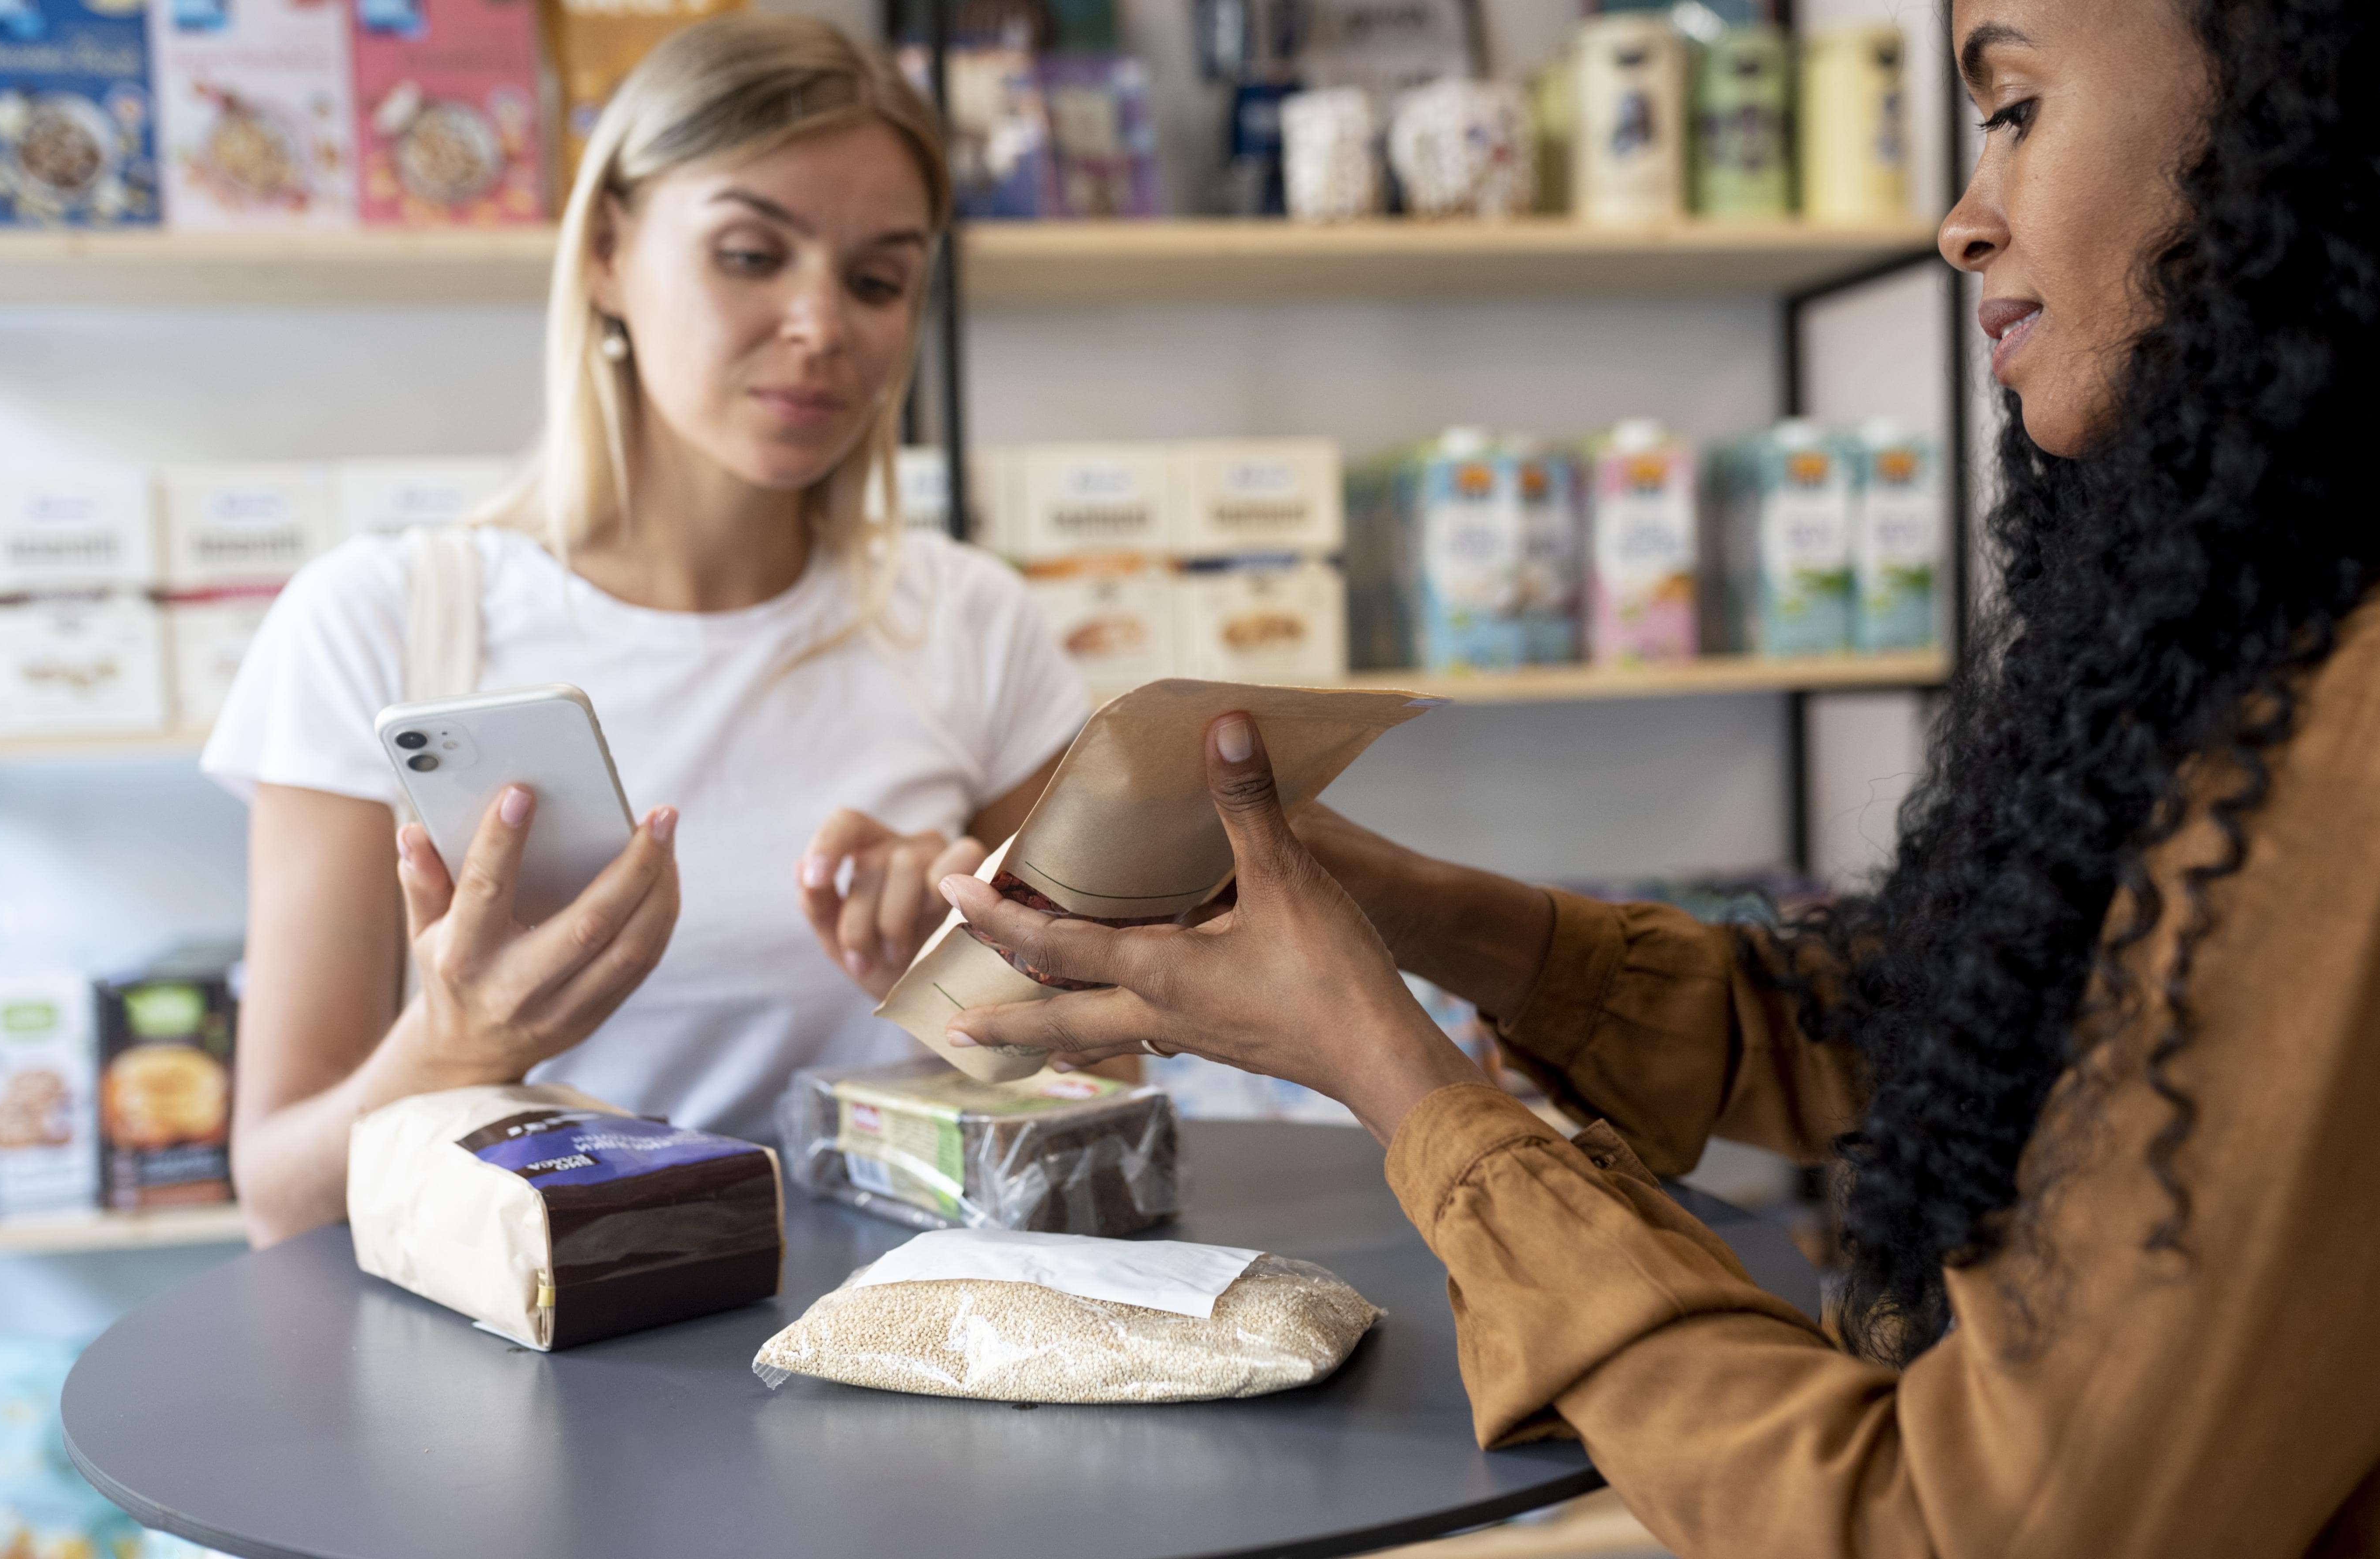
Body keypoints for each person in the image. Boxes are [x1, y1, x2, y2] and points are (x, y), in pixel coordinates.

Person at [938, 0, 2380, 1552]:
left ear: (2285, 131)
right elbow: (1921, 1035)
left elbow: (1955, 1530)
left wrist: (1384, 1067)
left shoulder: (2346, 750)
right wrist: (1396, 904)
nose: (1963, 223)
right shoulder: (2256, 641)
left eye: (2014, 107)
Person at [207, 14, 1086, 1248]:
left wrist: (957, 988)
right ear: (609, 249)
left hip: (909, 1357)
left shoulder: (968, 622)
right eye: (748, 254)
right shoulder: (383, 623)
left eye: (878, 279)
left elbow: (1112, 1108)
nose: (822, 325)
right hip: (530, 1376)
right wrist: (453, 1047)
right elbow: (279, 1194)